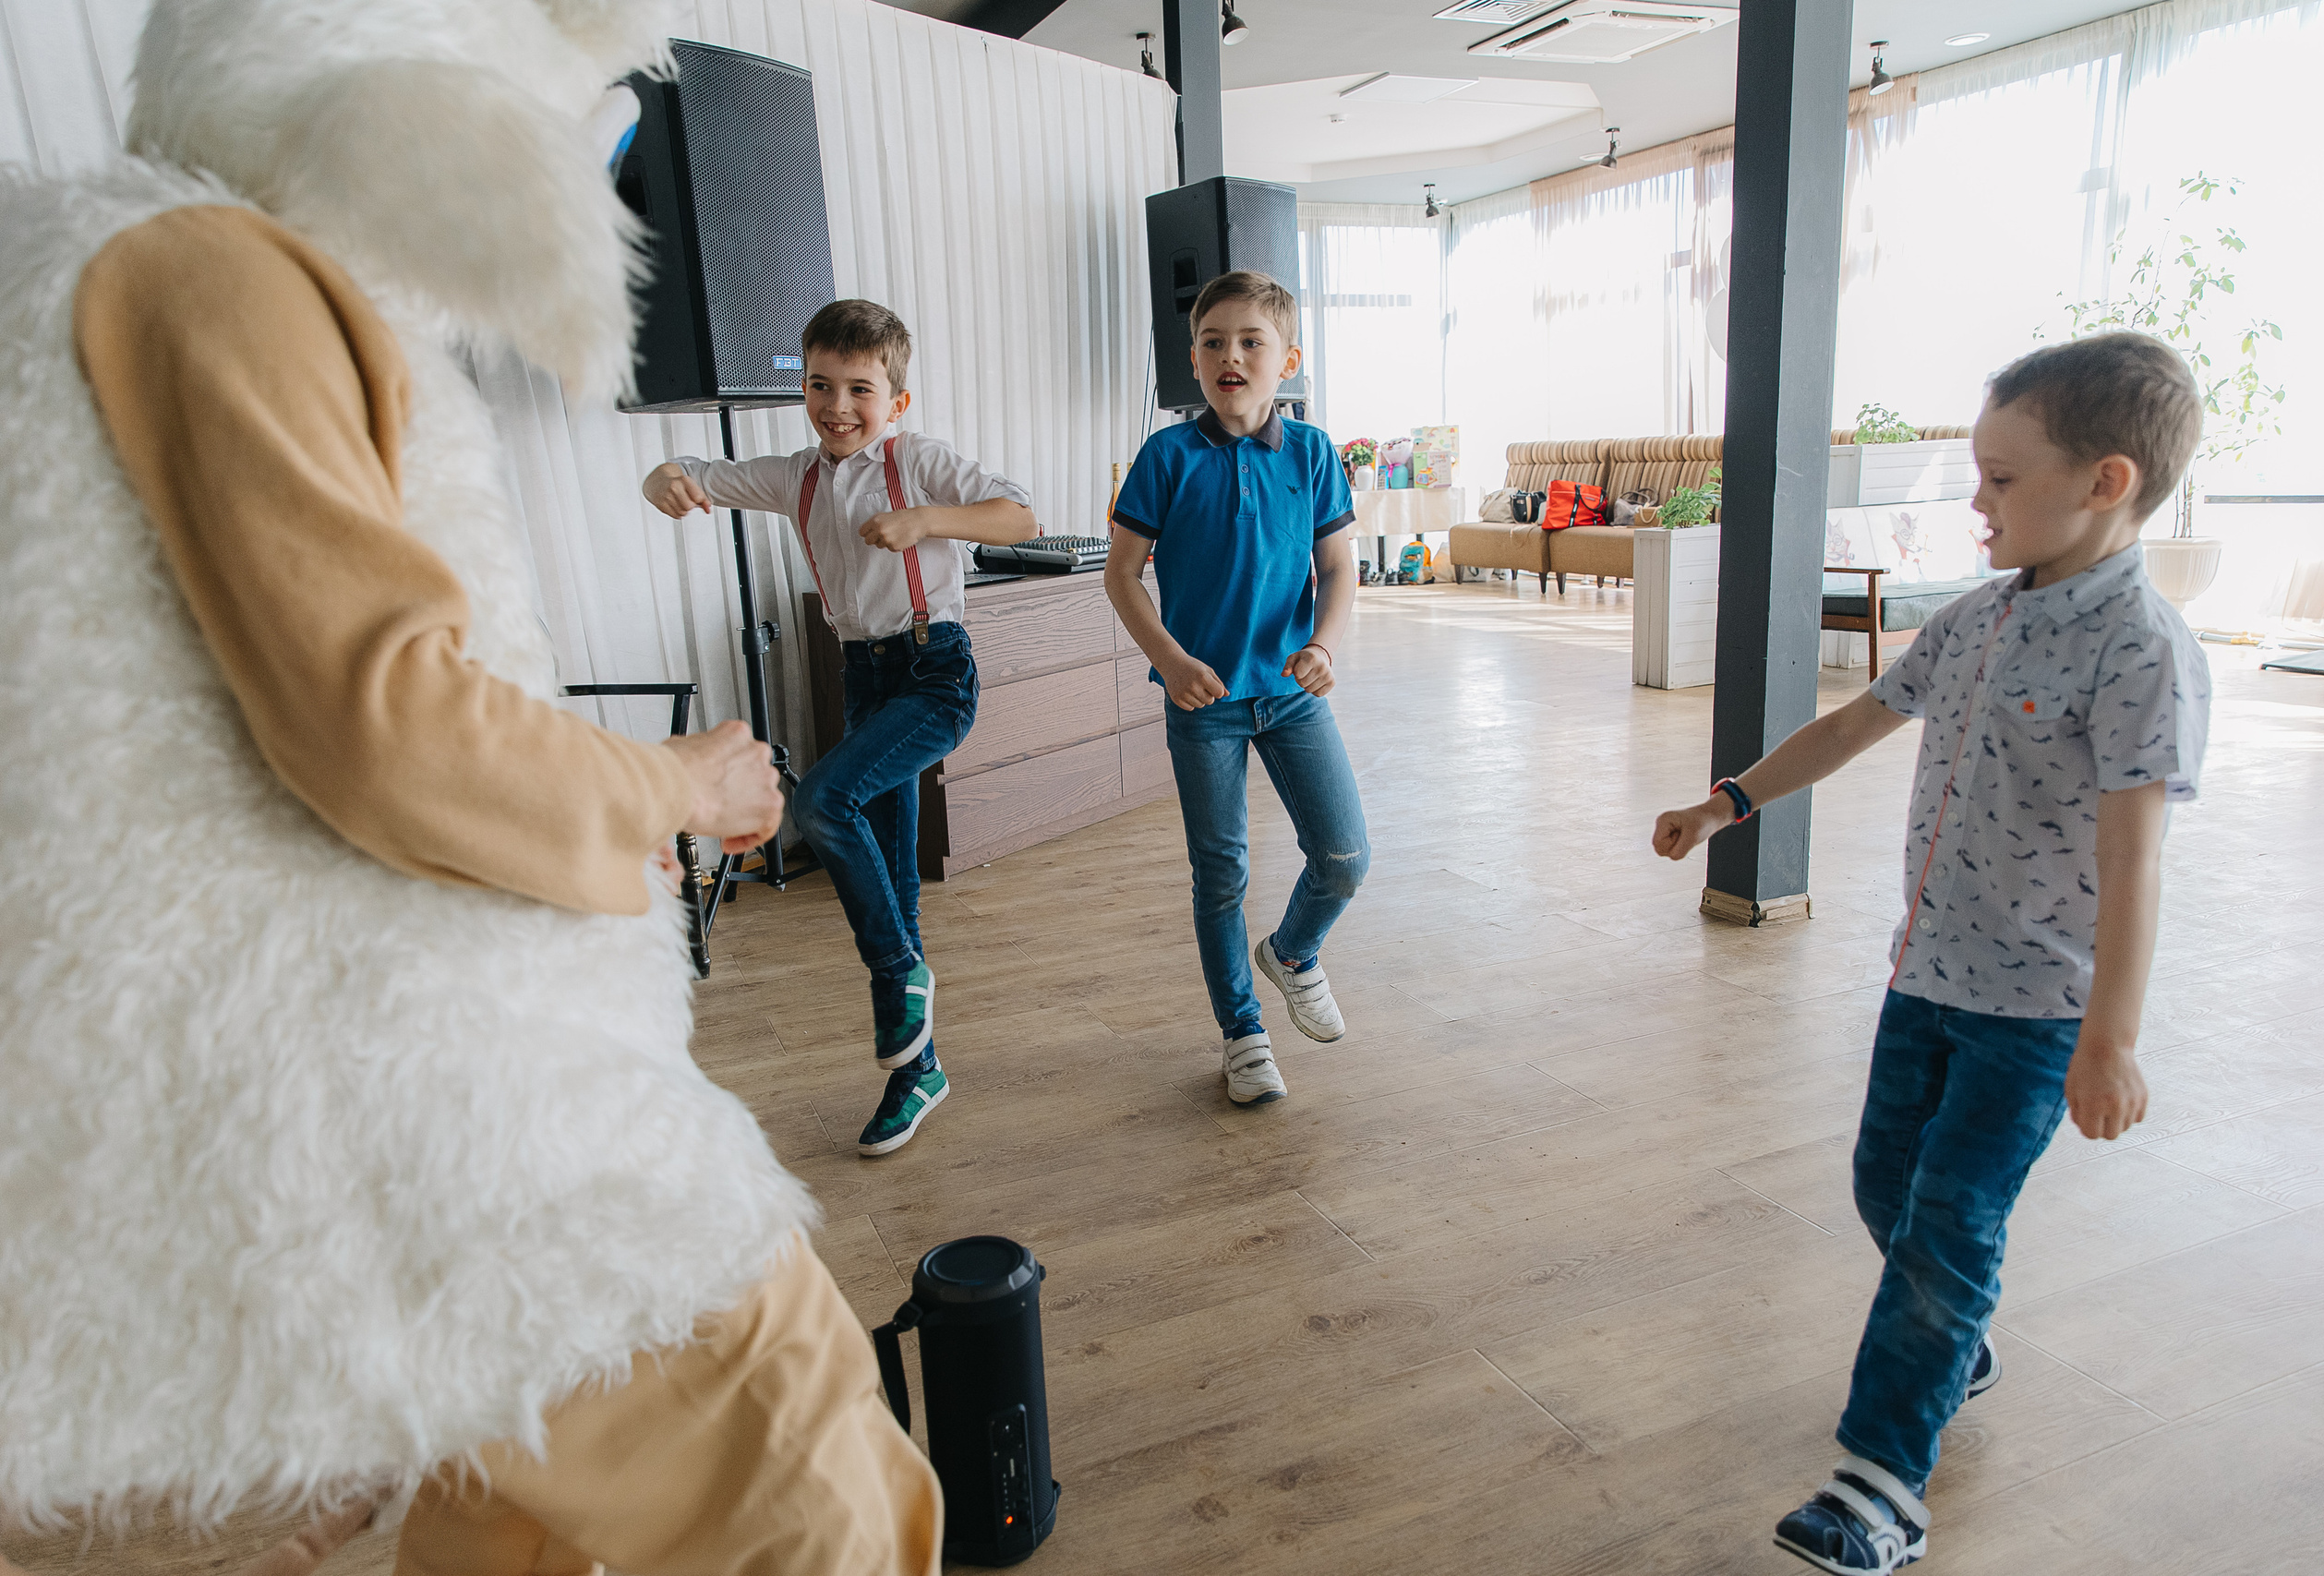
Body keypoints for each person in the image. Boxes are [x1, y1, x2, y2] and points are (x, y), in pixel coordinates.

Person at [0, 3, 938, 1571]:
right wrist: (682, 783)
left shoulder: (112, 272)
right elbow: (388, 723)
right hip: (424, 1116)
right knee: (802, 1472)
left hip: (274, 1118)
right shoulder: (210, 271)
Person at [1652, 331, 2211, 1576]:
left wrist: (2111, 1035)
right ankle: (1954, 1338)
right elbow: (1858, 721)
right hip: (1925, 975)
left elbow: (2135, 859)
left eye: (2003, 479)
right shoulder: (1976, 619)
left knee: (1949, 1224)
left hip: (2035, 1012)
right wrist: (1728, 800)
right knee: (1887, 1190)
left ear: (2104, 481)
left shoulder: (2141, 649)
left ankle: (1881, 1484)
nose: (1978, 501)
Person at [644, 299, 1038, 1157]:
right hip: (864, 678)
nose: (838, 405)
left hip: (936, 673)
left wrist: (926, 521)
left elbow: (1020, 517)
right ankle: (917, 1070)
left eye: (860, 388)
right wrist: (666, 477)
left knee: (820, 802)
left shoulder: (917, 460)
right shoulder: (798, 477)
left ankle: (900, 978)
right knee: (893, 889)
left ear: (895, 399)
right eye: (820, 385)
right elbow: (701, 472)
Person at [1104, 270, 1369, 1106]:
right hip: (1203, 704)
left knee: (1345, 857)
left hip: (1292, 693)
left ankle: (1291, 953)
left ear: (1287, 358)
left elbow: (1337, 568)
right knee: (1220, 877)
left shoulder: (1315, 453)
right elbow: (1120, 576)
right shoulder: (1167, 456)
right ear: (1192, 359)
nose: (1231, 355)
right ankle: (1243, 1031)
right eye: (1214, 341)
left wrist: (1325, 643)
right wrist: (1172, 661)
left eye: (1251, 341)